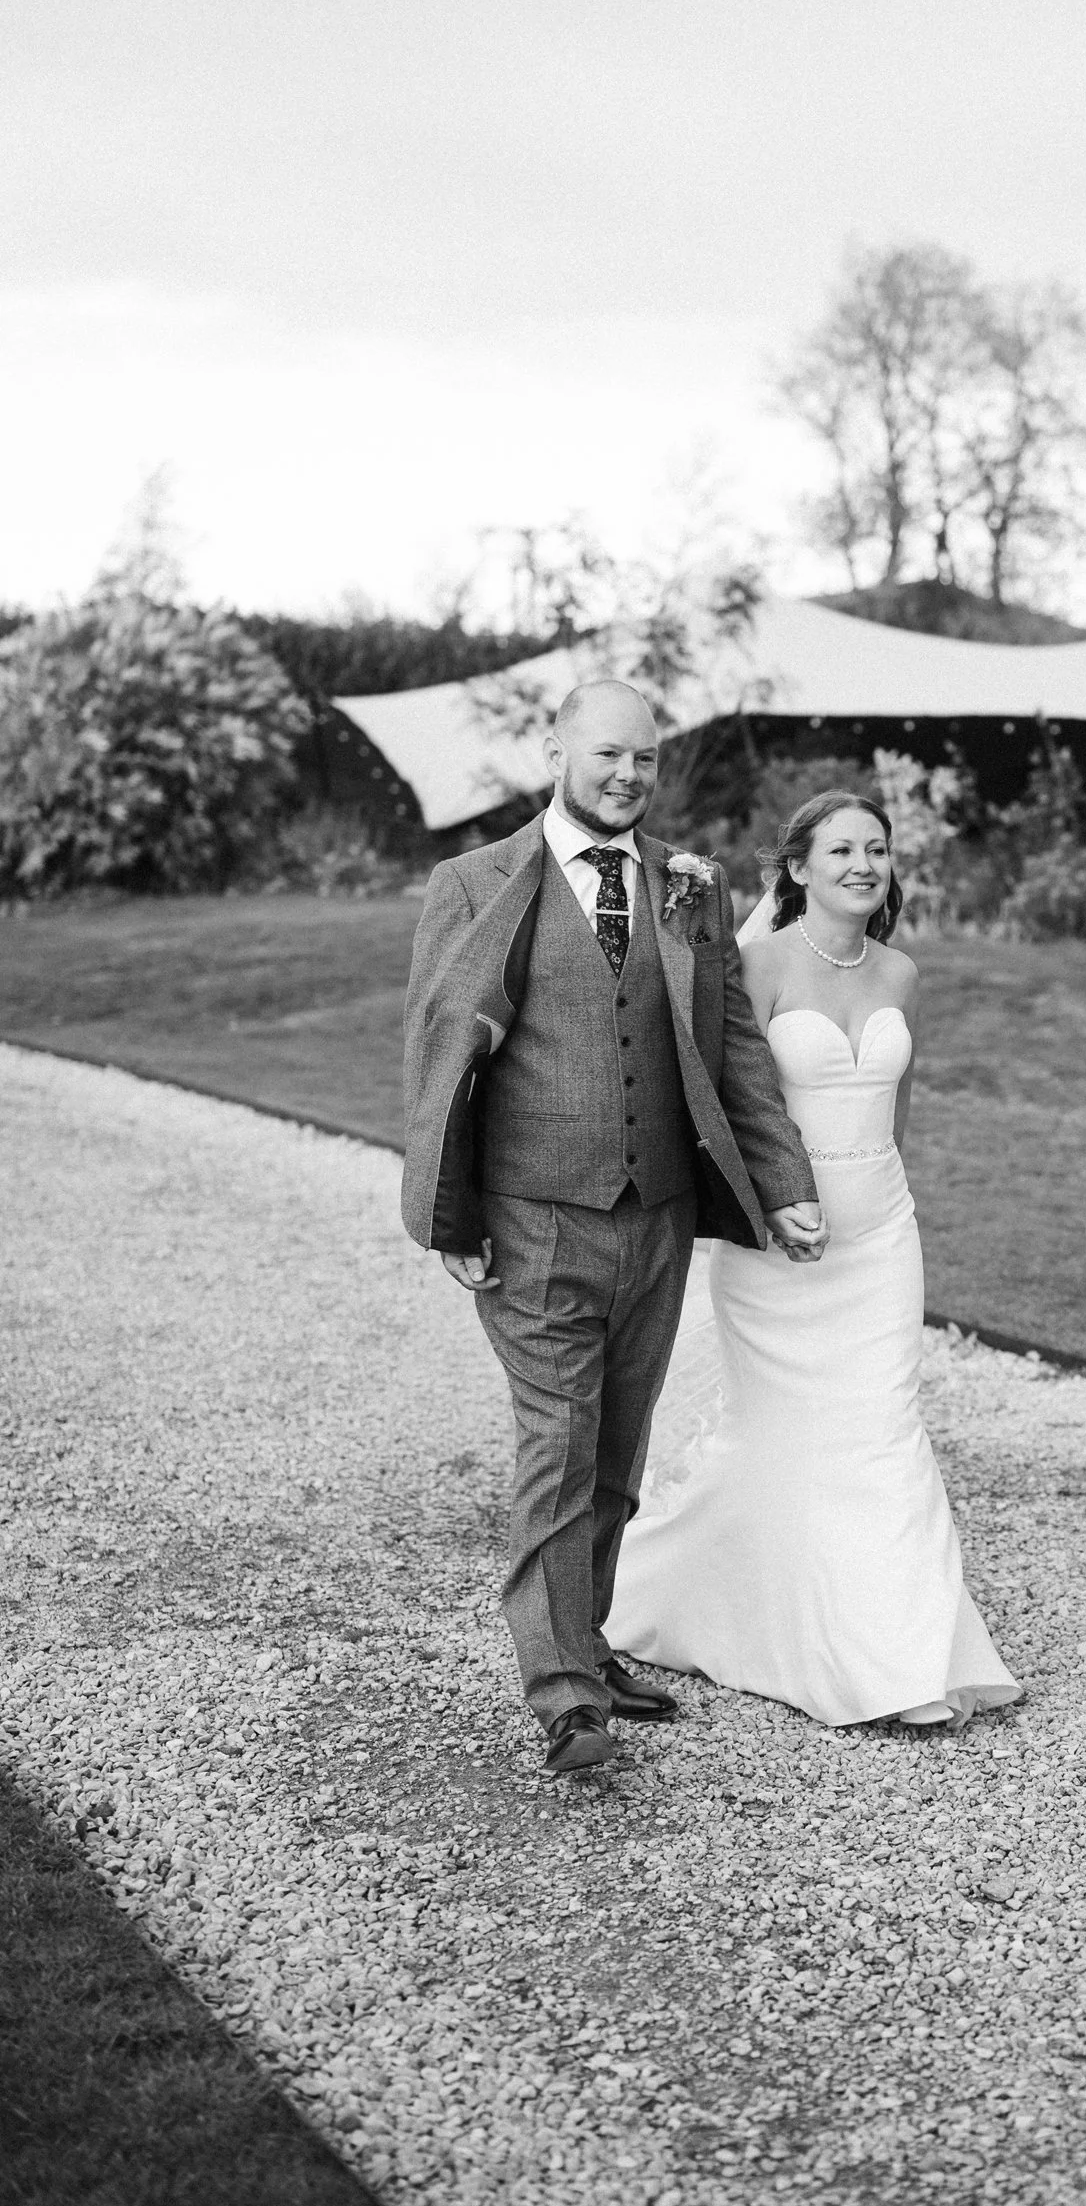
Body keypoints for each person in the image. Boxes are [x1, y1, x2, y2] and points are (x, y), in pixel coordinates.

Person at [400, 680, 828, 1778]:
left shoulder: (687, 884)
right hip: (536, 1221)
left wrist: (780, 1180)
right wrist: (451, 1211)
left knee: (618, 1449)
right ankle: (562, 1697)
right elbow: (439, 1055)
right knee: (557, 1449)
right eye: (606, 755)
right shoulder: (474, 883)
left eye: (643, 757)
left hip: (660, 1218)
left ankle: (584, 1639)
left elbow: (730, 1044)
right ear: (555, 751)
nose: (627, 775)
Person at [609, 791, 1020, 1729]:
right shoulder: (753, 963)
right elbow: (720, 1103)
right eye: (839, 849)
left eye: (876, 848)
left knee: (880, 1429)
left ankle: (899, 1660)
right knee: (778, 1433)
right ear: (796, 868)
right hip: (778, 1250)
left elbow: (899, 1104)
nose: (862, 864)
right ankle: (680, 1594)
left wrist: (881, 1198)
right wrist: (769, 1203)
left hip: (879, 1240)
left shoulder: (901, 974)